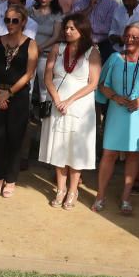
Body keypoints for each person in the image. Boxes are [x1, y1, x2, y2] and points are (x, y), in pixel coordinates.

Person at [93, 22, 139, 214]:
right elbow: (102, 84)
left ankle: (125, 198)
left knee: (133, 155)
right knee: (109, 153)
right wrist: (115, 97)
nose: (130, 40)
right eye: (127, 36)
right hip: (116, 111)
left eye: (135, 37)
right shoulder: (115, 58)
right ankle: (100, 195)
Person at [39, 14, 101, 209]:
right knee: (58, 146)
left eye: (72, 28)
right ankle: (61, 189)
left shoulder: (92, 52)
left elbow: (93, 84)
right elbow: (48, 76)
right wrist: (57, 99)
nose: (67, 31)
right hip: (58, 104)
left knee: (76, 149)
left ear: (82, 30)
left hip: (80, 106)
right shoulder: (57, 48)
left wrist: (70, 100)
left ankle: (73, 190)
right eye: (66, 28)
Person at [0, 5, 38, 197]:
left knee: (15, 138)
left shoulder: (31, 44)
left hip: (18, 96)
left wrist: (9, 93)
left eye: (15, 20)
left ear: (23, 22)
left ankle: (11, 179)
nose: (10, 24)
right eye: (7, 20)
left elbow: (29, 74)